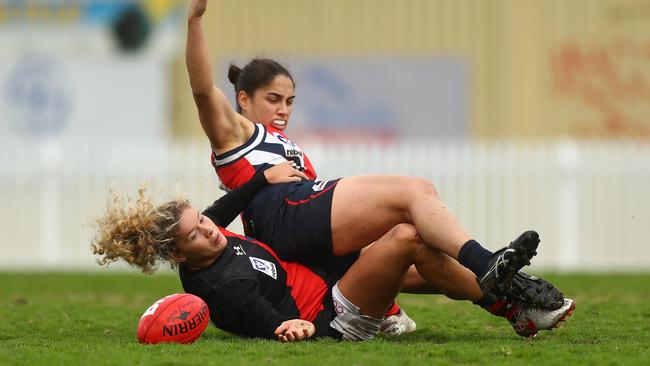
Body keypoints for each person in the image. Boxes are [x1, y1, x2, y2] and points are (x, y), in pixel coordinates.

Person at [184, 0, 568, 324]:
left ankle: (514, 304)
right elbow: (202, 89)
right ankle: (487, 262)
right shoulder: (234, 132)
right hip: (279, 217)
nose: (283, 109)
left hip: (303, 244)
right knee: (414, 191)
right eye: (273, 99)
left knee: (415, 243)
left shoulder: (284, 143)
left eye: (289, 101)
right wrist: (195, 20)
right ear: (244, 98)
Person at [91, 165, 575, 341]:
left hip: (331, 284)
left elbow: (223, 208)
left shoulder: (210, 235)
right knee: (406, 236)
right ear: (177, 255)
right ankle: (499, 281)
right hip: (333, 317)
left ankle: (514, 304)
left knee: (424, 250)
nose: (210, 232)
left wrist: (260, 180)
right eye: (195, 234)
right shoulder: (219, 284)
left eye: (201, 221)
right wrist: (283, 326)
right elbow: (248, 309)